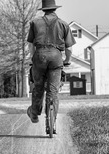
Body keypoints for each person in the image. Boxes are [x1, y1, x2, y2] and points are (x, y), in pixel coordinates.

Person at [26, 0, 76, 134]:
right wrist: (67, 59)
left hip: (40, 56)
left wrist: (33, 58)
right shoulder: (63, 24)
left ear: (43, 9)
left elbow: (31, 45)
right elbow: (69, 47)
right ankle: (52, 122)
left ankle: (35, 113)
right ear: (54, 9)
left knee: (38, 86)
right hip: (56, 57)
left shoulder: (35, 23)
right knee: (53, 90)